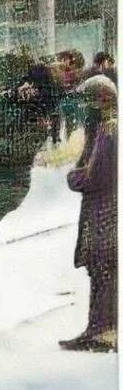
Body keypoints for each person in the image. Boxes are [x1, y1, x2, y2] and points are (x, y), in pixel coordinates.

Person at [62, 74, 116, 351]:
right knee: (102, 270)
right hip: (104, 211)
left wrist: (73, 177)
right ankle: (99, 329)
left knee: (104, 269)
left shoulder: (110, 130)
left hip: (107, 214)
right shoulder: (104, 128)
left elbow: (92, 177)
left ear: (100, 101)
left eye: (87, 102)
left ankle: (102, 331)